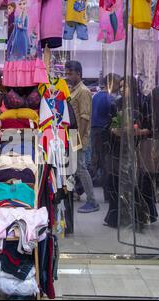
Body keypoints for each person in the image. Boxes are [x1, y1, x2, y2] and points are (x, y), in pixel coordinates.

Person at [65, 60, 100, 213]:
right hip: (72, 134)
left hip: (78, 136)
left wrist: (78, 139)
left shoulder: (83, 91)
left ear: (78, 74)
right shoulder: (73, 91)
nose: (68, 76)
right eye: (66, 73)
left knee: (81, 168)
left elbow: (85, 117)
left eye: (70, 73)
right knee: (75, 167)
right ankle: (73, 194)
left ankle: (92, 201)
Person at [89, 73, 119, 199]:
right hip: (103, 133)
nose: (119, 86)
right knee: (105, 164)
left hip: (94, 131)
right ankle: (108, 194)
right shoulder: (110, 99)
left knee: (96, 161)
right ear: (111, 83)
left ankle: (77, 188)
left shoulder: (96, 96)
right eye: (117, 83)